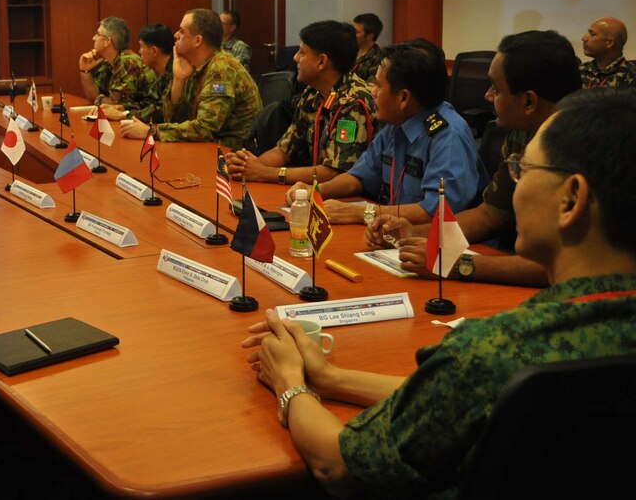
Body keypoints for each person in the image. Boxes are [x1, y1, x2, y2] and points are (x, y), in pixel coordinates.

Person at [241, 88, 636, 499]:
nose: (513, 184)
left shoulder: (492, 352)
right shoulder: (516, 359)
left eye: (523, 169)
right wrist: (327, 376)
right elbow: (463, 394)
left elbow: (338, 465)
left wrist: (290, 382)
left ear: (571, 198)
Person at [369, 30, 581, 287]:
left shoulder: (583, 149)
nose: (487, 97)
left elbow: (569, 264)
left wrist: (459, 264)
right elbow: (492, 213)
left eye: (495, 88)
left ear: (528, 101)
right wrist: (417, 233)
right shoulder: (522, 134)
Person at [286, 39, 486, 225]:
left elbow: (436, 213)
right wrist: (315, 191)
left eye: (379, 86)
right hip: (395, 233)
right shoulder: (396, 123)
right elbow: (359, 177)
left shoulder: (447, 136)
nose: (372, 92)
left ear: (403, 98)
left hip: (450, 250)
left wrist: (361, 213)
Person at [226, 20, 375, 186]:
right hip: (314, 190)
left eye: (302, 53)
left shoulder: (353, 102)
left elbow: (336, 172)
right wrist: (248, 167)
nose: (295, 58)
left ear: (322, 62)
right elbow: (284, 150)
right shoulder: (313, 93)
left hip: (347, 199)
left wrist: (266, 173)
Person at [120, 8, 261, 150]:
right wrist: (178, 80)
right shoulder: (194, 66)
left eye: (182, 31)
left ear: (197, 40)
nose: (175, 35)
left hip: (233, 153)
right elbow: (172, 119)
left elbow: (205, 129)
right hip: (207, 147)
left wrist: (152, 132)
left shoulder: (221, 70)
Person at [99, 22, 174, 122]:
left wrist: (124, 115)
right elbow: (150, 104)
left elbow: (162, 112)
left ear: (154, 51)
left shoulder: (174, 73)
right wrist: (123, 108)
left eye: (142, 47)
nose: (139, 51)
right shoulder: (163, 73)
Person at [78, 16, 156, 106]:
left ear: (107, 41)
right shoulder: (109, 62)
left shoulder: (128, 62)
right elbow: (93, 99)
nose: (93, 38)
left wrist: (100, 99)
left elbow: (116, 105)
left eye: (97, 34)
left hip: (145, 118)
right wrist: (85, 70)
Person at [579, 16, 635, 88]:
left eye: (592, 34)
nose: (584, 38)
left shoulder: (632, 75)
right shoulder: (579, 70)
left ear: (609, 43)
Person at [350, 12, 383, 84]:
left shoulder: (377, 58)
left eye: (356, 32)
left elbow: (371, 87)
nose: (351, 33)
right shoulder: (348, 50)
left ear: (370, 36)